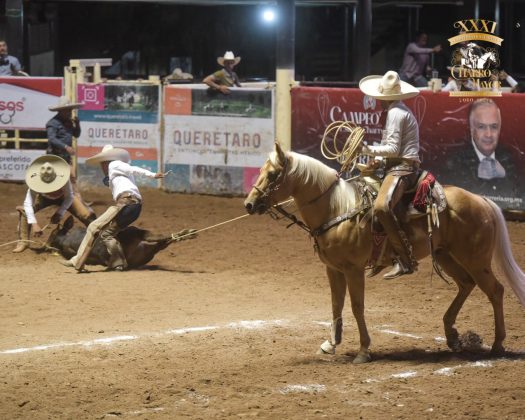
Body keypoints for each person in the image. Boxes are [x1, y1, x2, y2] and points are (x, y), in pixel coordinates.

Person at [60, 145, 164, 272]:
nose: (101, 166)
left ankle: (78, 261)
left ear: (106, 161)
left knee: (93, 227)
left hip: (126, 203)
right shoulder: (116, 173)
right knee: (107, 234)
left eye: (102, 163)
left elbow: (132, 169)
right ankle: (118, 263)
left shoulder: (114, 164)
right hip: (135, 207)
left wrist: (152, 175)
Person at [359, 70, 421, 279]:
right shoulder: (396, 111)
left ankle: (404, 260)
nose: (377, 101)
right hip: (396, 166)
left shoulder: (395, 113)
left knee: (381, 207)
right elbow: (392, 148)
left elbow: (393, 149)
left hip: (403, 168)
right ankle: (382, 256)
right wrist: (377, 161)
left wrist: (367, 149)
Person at [439, 99, 520, 202]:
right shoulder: (455, 163)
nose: (489, 134)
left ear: (500, 129)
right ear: (472, 129)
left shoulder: (509, 157)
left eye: (494, 127)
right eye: (481, 127)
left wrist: (504, 176)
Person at [12, 155, 96, 253]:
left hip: (63, 197)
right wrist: (34, 224)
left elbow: (69, 197)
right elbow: (28, 204)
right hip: (43, 198)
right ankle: (24, 242)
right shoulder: (34, 184)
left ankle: (97, 238)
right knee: (25, 211)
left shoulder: (64, 179)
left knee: (86, 215)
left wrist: (60, 213)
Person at [46, 96, 83, 166]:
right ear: (61, 111)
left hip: (65, 157)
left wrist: (77, 124)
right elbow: (52, 138)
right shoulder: (53, 123)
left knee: (65, 175)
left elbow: (76, 135)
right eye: (68, 110)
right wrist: (66, 147)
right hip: (55, 156)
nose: (70, 112)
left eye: (70, 110)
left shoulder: (69, 122)